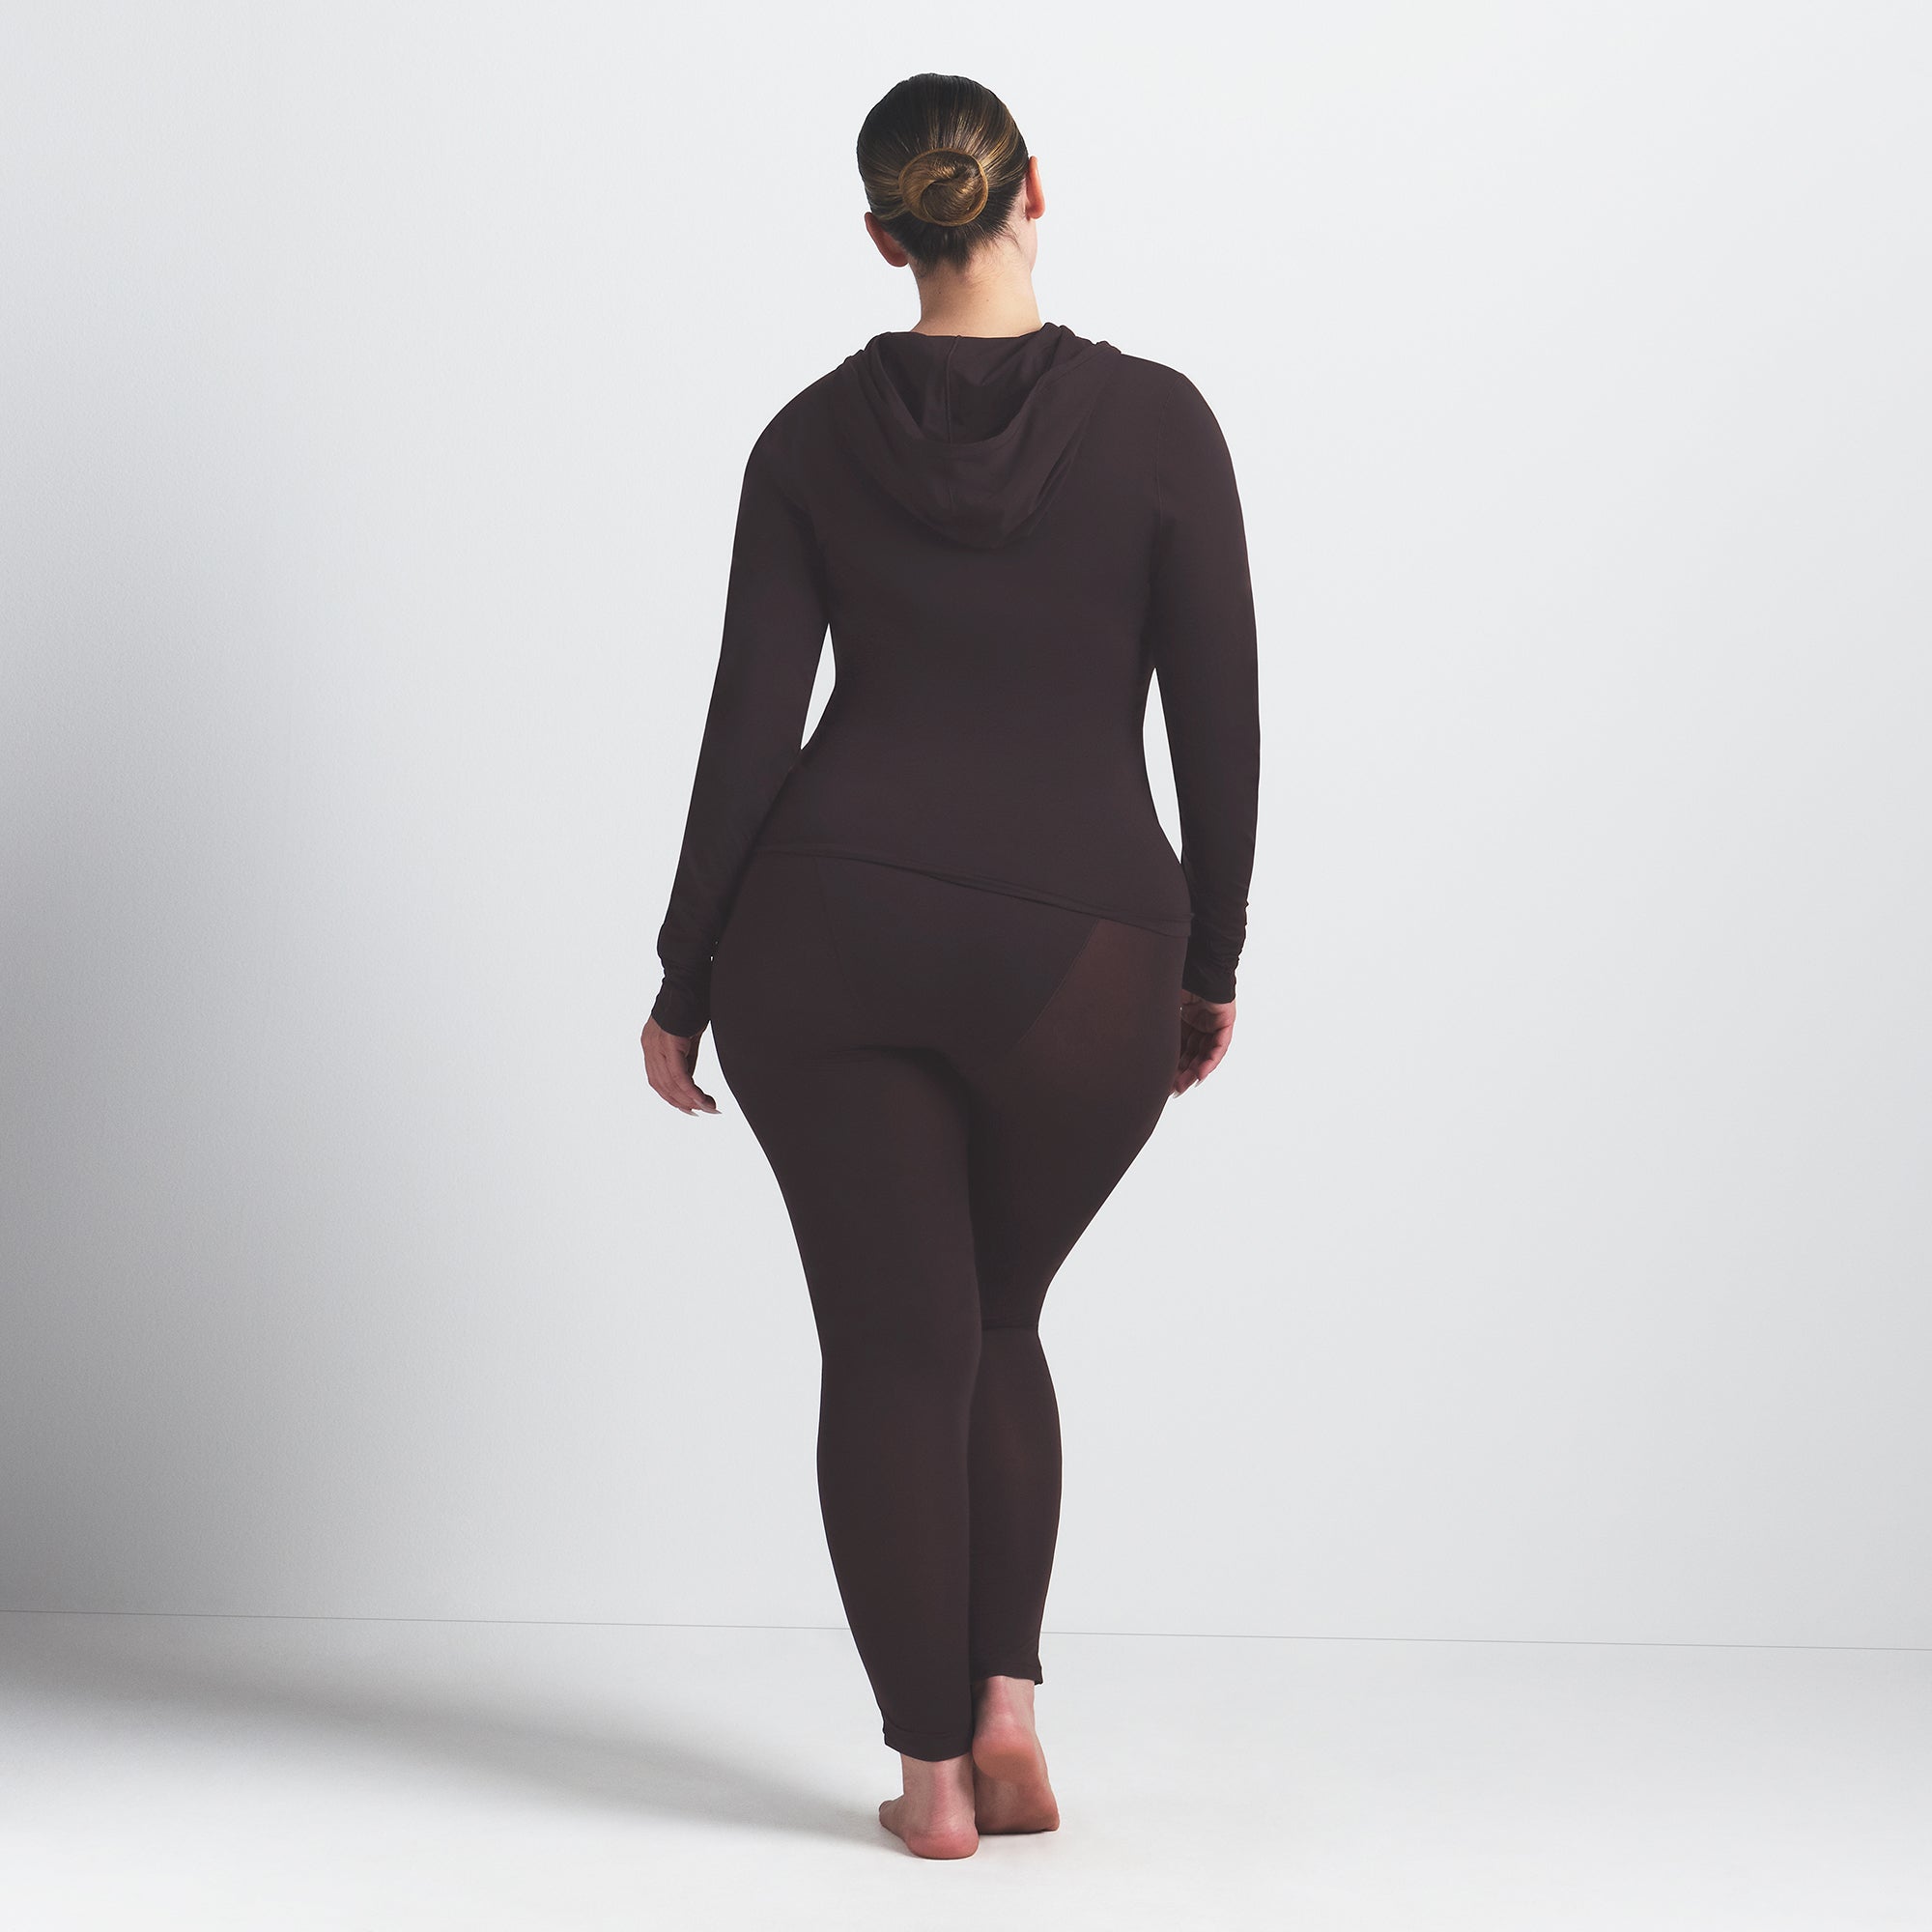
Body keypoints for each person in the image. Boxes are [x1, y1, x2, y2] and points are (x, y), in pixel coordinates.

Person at [639, 71, 1260, 1860]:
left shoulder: (805, 442)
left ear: (881, 233)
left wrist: (684, 980)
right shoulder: (1163, 426)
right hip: (1085, 952)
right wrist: (1211, 958)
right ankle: (1007, 1714)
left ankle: (928, 1786)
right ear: (1032, 190)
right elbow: (1220, 725)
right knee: (993, 1321)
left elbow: (749, 736)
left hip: (827, 940)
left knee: (891, 1346)